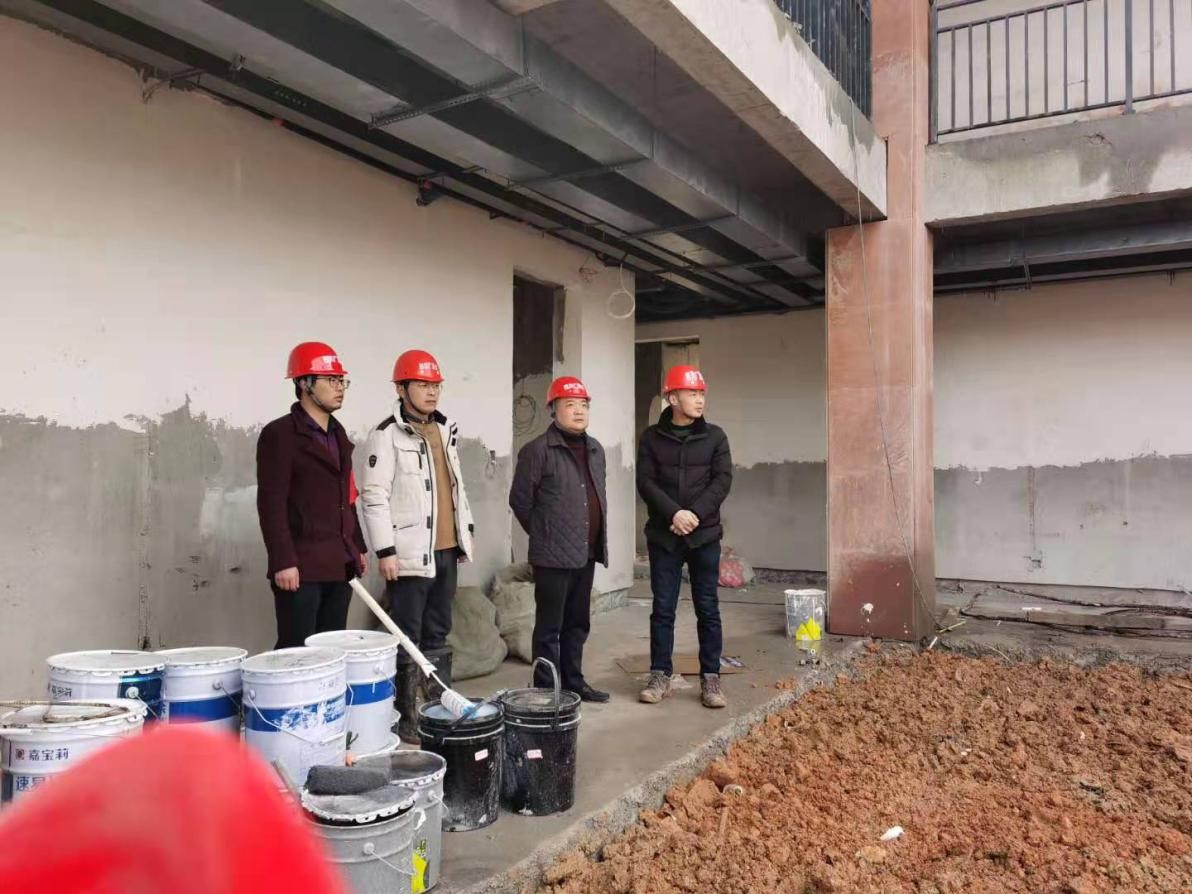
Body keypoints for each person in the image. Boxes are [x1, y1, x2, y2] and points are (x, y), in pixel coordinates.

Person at [359, 349, 474, 742]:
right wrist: (385, 551)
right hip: (408, 552)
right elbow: (374, 496)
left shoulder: (445, 429)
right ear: (401, 388)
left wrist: (464, 534)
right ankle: (406, 715)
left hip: (446, 549)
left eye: (435, 385)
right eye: (423, 384)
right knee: (407, 633)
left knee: (439, 630)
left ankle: (439, 706)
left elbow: (456, 488)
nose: (431, 392)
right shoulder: (386, 435)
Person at [257, 342, 367, 650]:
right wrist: (283, 561)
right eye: (331, 380)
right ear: (304, 384)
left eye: (342, 380)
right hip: (301, 566)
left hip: (339, 563)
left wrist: (357, 546)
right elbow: (271, 504)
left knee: (332, 650)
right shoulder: (280, 435)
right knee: (297, 651)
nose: (340, 387)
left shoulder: (339, 434)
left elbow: (347, 496)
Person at [636, 365, 733, 709]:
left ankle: (711, 678)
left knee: (707, 607)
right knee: (663, 607)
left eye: (702, 393)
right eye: (692, 393)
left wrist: (693, 516)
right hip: (665, 536)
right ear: (673, 398)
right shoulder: (651, 438)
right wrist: (674, 514)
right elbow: (646, 482)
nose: (699, 399)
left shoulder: (716, 437)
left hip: (703, 536)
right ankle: (659, 674)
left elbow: (722, 481)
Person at [509, 376, 610, 703]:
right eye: (570, 404)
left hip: (586, 551)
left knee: (578, 623)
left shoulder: (595, 450)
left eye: (583, 404)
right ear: (553, 409)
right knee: (549, 627)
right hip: (552, 555)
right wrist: (546, 534)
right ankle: (546, 689)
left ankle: (574, 683)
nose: (579, 411)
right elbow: (520, 501)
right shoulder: (537, 450)